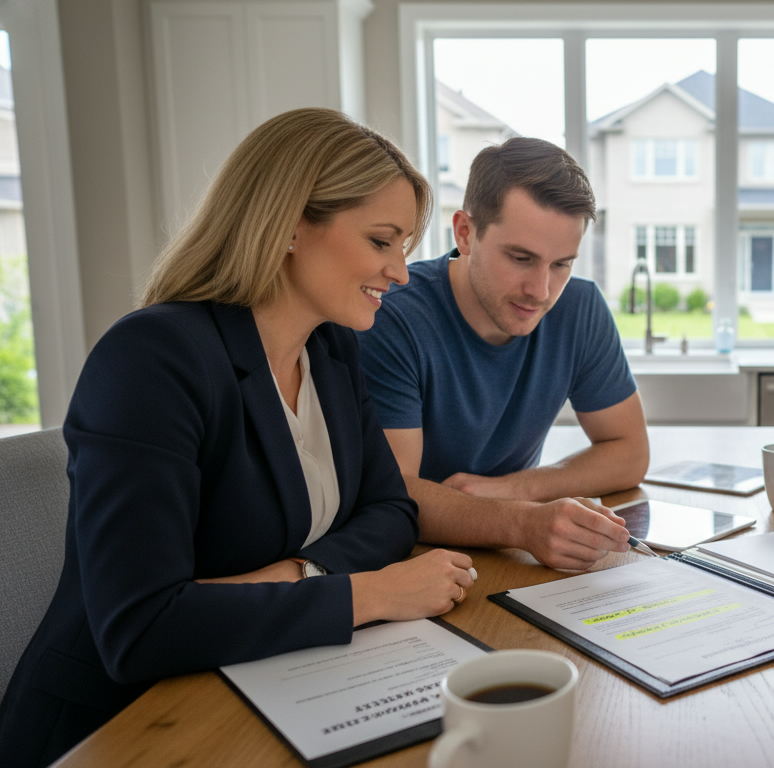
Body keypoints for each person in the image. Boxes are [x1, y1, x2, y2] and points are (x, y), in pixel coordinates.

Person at [0, 108, 476, 768]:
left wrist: (291, 577)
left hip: (261, 680)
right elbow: (140, 629)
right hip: (121, 727)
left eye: (404, 246)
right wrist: (370, 593)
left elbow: (391, 511)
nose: (400, 272)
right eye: (381, 241)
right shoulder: (152, 359)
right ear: (286, 224)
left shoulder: (331, 348)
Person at [356, 137, 649, 571]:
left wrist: (519, 488)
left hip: (513, 555)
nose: (541, 291)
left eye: (561, 264)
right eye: (521, 257)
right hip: (411, 560)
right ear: (465, 233)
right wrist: (522, 523)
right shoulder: (393, 318)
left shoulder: (579, 307)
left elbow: (630, 452)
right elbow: (394, 491)